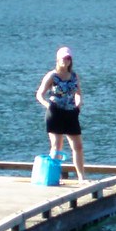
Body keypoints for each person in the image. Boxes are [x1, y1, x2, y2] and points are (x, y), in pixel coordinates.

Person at [36, 46, 86, 182]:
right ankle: (54, 176)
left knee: (78, 146)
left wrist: (78, 104)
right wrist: (48, 106)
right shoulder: (52, 76)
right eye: (64, 58)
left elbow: (78, 93)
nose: (66, 61)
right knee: (56, 146)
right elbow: (39, 95)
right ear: (58, 59)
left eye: (68, 58)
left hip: (71, 113)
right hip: (55, 112)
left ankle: (81, 177)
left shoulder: (74, 76)